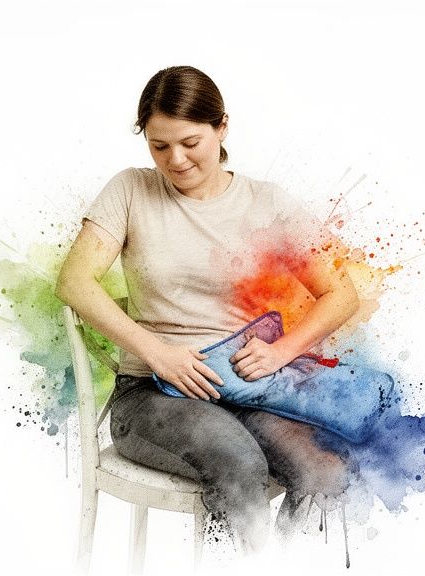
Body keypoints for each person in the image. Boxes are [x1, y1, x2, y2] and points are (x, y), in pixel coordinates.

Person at [55, 65, 359, 554]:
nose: (175, 160)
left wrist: (281, 352)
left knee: (321, 466)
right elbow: (74, 282)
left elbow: (341, 293)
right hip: (152, 395)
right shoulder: (131, 190)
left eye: (190, 142)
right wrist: (157, 353)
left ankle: (273, 560)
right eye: (159, 146)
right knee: (238, 461)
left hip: (244, 389)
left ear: (222, 127)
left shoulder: (268, 202)